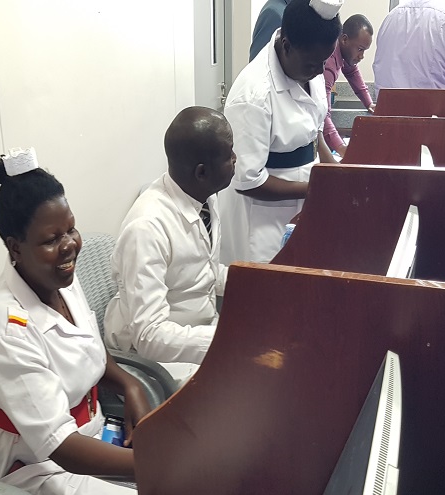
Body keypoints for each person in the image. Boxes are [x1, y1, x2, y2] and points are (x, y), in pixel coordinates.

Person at [0, 148, 151, 495]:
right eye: (52, 239)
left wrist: (129, 384)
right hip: (37, 470)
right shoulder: (7, 328)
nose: (69, 244)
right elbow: (59, 447)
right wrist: (157, 467)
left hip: (93, 435)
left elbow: (88, 350)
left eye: (70, 229)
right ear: (14, 246)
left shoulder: (61, 279)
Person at [103, 107, 234, 368]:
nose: (235, 158)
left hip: (199, 331)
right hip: (154, 358)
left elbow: (201, 270)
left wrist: (256, 283)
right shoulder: (147, 228)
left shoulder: (203, 196)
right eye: (228, 154)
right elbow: (150, 337)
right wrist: (227, 341)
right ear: (201, 172)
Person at [221, 0, 342, 264]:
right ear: (286, 45)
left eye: (324, 61)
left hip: (302, 204)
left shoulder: (310, 66)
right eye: (313, 63)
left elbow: (314, 131)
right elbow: (247, 181)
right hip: (262, 219)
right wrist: (312, 189)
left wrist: (335, 174)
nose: (320, 71)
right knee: (268, 289)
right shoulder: (253, 96)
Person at [322, 14, 375, 157]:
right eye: (360, 49)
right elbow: (323, 114)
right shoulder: (330, 64)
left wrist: (369, 103)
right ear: (344, 39)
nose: (362, 56)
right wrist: (341, 149)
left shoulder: (343, 53)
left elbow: (352, 72)